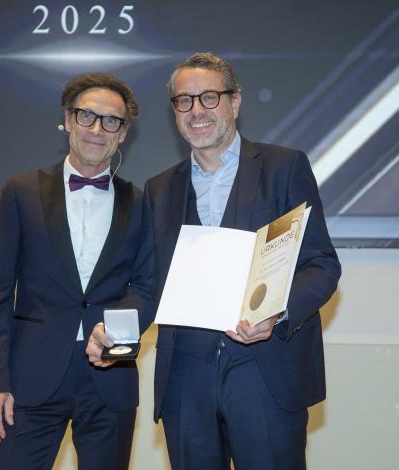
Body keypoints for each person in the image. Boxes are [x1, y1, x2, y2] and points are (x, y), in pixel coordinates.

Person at [143, 52, 341, 470]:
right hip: (185, 382)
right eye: (184, 100)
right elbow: (148, 283)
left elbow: (321, 264)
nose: (196, 110)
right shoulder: (158, 190)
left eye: (209, 97)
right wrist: (113, 328)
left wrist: (277, 313)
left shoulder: (284, 167)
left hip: (265, 372)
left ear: (235, 102)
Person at [0, 72, 155, 470]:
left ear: (123, 133)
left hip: (110, 379)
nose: (97, 129)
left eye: (111, 121)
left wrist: (115, 336)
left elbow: (145, 288)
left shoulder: (141, 203)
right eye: (87, 115)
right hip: (29, 379)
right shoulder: (20, 192)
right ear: (68, 120)